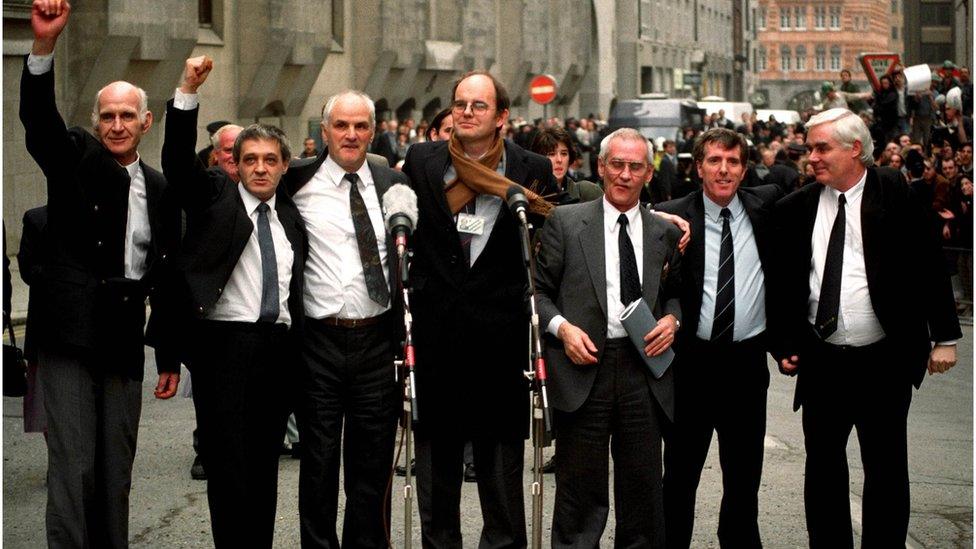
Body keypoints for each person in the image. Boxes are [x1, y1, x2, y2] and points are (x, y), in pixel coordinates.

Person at [20, 2, 182, 547]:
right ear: (96, 123)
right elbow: (39, 125)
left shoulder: (159, 190)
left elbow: (163, 277)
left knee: (116, 469)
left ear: (145, 121)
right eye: (107, 116)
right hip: (67, 335)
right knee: (74, 467)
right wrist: (43, 47)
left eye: (126, 115)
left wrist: (167, 355)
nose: (117, 124)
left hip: (121, 337)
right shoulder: (76, 162)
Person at [769, 108, 961, 548]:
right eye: (808, 148)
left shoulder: (894, 192)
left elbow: (931, 265)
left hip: (885, 360)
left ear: (855, 149)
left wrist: (944, 338)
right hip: (823, 363)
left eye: (821, 148)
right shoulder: (794, 207)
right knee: (822, 470)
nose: (811, 157)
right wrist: (784, 344)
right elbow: (782, 286)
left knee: (887, 469)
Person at [400, 70, 557, 547]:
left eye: (478, 106)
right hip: (436, 339)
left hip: (501, 341)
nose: (466, 113)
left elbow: (561, 234)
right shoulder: (422, 160)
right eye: (459, 104)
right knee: (437, 469)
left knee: (500, 470)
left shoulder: (531, 170)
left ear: (502, 117)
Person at [162, 55, 306, 548]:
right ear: (234, 165)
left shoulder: (291, 215)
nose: (260, 168)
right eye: (250, 160)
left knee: (266, 466)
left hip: (278, 350)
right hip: (224, 348)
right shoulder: (212, 199)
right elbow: (178, 163)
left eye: (270, 160)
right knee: (227, 468)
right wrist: (187, 92)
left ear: (285, 165)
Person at [535, 127, 682, 548]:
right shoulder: (565, 222)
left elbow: (677, 295)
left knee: (642, 493)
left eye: (635, 166)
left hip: (643, 372)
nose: (624, 174)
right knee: (579, 494)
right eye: (616, 164)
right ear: (600, 167)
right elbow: (538, 292)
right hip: (585, 368)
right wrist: (563, 329)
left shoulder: (664, 232)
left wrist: (672, 321)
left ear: (648, 174)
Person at [282, 89, 409, 548]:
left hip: (377, 343)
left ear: (373, 132)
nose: (351, 135)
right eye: (341, 125)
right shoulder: (294, 182)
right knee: (317, 463)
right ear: (324, 131)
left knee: (371, 467)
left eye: (360, 126)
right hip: (318, 343)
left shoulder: (392, 182)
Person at [656, 128, 782, 548]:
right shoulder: (670, 216)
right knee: (679, 476)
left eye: (733, 161)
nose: (724, 169)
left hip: (746, 365)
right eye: (714, 160)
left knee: (744, 479)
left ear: (745, 168)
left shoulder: (767, 207)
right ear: (698, 167)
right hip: (690, 365)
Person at [530, 126, 603, 203]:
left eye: (564, 154)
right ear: (537, 157)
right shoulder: (526, 197)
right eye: (551, 154)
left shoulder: (588, 192)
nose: (559, 160)